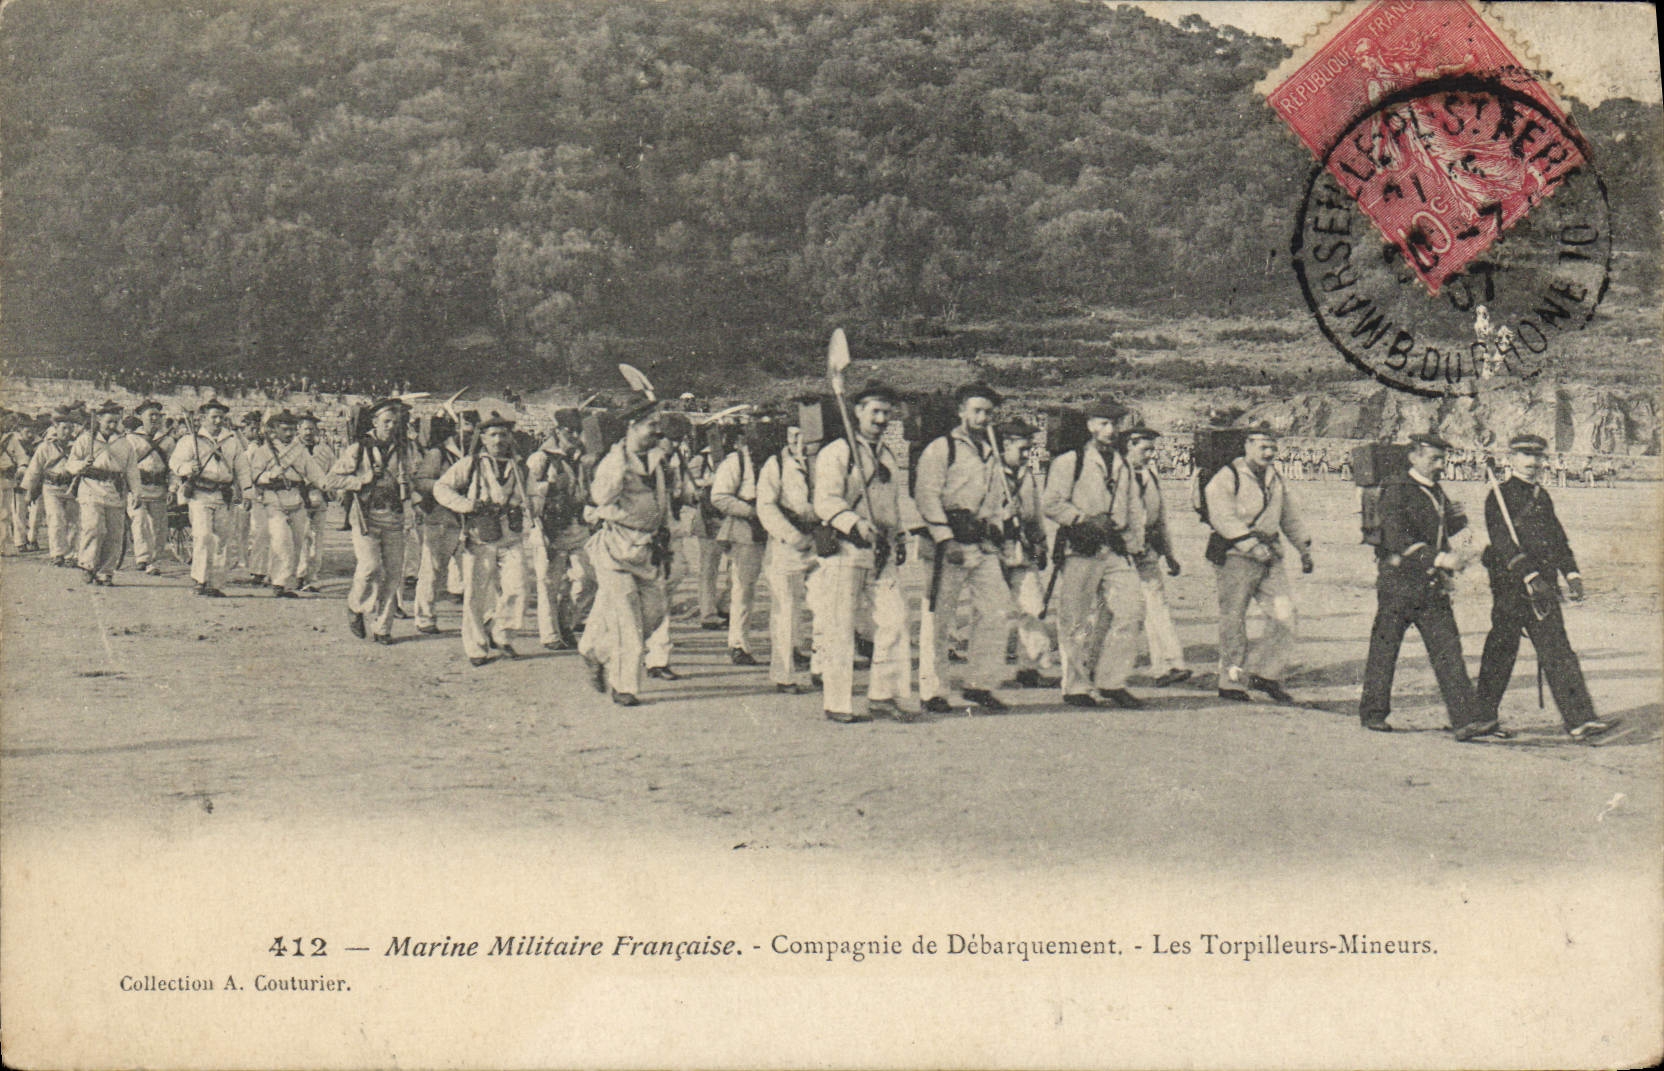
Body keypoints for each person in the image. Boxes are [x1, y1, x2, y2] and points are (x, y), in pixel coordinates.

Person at [1475, 434, 1613, 740]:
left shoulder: (1542, 495)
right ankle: (1481, 718)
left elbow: (1558, 538)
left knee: (1558, 650)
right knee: (1501, 650)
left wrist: (1572, 574)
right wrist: (1530, 576)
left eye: (1538, 457)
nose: (1533, 463)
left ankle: (1580, 720)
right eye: (1526, 456)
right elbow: (1503, 543)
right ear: (1511, 458)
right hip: (1512, 587)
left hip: (1544, 587)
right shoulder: (1497, 495)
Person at [1358, 433, 1494, 739]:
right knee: (1385, 648)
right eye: (1434, 458)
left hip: (1431, 586)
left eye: (1442, 458)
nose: (1441, 464)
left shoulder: (1438, 492)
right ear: (1414, 457)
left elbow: (1455, 530)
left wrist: (1474, 545)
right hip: (1398, 584)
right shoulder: (1397, 490)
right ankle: (1373, 713)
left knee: (1448, 649)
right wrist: (1441, 559)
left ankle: (1465, 720)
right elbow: (1396, 538)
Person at [813, 385, 915, 722]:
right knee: (840, 627)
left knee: (895, 621)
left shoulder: (887, 455)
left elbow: (892, 503)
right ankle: (837, 702)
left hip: (881, 551)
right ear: (857, 412)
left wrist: (898, 537)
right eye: (875, 411)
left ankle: (883, 694)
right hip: (846, 550)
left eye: (887, 413)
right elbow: (825, 501)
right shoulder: (837, 453)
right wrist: (854, 523)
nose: (882, 419)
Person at [913, 383, 1016, 713]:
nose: (983, 417)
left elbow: (994, 499)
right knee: (939, 619)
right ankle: (933, 691)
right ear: (961, 411)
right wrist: (945, 538)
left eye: (988, 412)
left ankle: (979, 684)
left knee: (998, 610)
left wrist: (998, 523)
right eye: (977, 411)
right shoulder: (942, 448)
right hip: (948, 543)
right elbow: (926, 494)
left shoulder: (991, 451)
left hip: (980, 543)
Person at [1041, 398, 1146, 709]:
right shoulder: (1069, 462)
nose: (1110, 430)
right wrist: (1083, 520)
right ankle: (1075, 686)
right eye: (1103, 423)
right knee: (1075, 619)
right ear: (1090, 425)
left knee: (1132, 610)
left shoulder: (1123, 464)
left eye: (1115, 423)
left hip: (1113, 548)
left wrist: (1131, 542)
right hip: (1081, 546)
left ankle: (1112, 680)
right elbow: (1051, 503)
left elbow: (1131, 507)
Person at [1203, 425, 1312, 703]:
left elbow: (1288, 516)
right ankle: (1231, 681)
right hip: (1235, 556)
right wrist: (1250, 545)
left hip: (1270, 555)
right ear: (1247, 445)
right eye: (1263, 446)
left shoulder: (1275, 478)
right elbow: (1222, 516)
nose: (1269, 452)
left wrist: (1303, 549)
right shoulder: (1227, 476)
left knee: (1285, 614)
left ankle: (1266, 673)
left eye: (1273, 447)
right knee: (1234, 619)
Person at [579, 401, 672, 706]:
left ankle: (594, 650)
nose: (657, 431)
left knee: (654, 613)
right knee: (628, 624)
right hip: (616, 550)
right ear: (632, 426)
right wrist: (618, 465)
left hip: (647, 550)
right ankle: (624, 687)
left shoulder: (658, 458)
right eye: (650, 425)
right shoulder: (614, 461)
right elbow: (600, 496)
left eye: (658, 425)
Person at [432, 413, 530, 666]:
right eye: (493, 435)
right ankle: (476, 647)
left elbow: (534, 494)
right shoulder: (471, 464)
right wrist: (467, 505)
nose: (499, 440)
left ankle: (501, 633)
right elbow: (441, 488)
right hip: (480, 535)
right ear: (483, 438)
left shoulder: (520, 466)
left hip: (511, 536)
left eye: (503, 434)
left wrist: (529, 506)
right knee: (475, 593)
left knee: (517, 588)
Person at [324, 398, 417, 643]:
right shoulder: (359, 449)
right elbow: (331, 480)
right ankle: (356, 606)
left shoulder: (406, 449)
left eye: (395, 422)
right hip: (366, 517)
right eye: (386, 421)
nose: (391, 426)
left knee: (394, 575)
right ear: (375, 422)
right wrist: (361, 480)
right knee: (369, 568)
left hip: (395, 517)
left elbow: (414, 478)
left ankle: (382, 628)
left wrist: (411, 499)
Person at [756, 421, 820, 694]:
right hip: (786, 547)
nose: (798, 441)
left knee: (825, 607)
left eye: (803, 435)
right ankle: (784, 675)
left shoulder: (823, 463)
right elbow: (766, 506)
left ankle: (822, 668)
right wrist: (793, 536)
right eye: (792, 435)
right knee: (785, 610)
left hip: (820, 544)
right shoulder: (776, 465)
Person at [1123, 426, 1190, 687]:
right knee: (1114, 610)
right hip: (1120, 553)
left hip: (1147, 550)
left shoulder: (1151, 476)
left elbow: (1160, 518)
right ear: (1130, 444)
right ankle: (1093, 664)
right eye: (1145, 449)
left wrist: (1169, 554)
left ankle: (1168, 665)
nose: (1150, 455)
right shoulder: (1117, 474)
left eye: (1153, 450)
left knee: (1157, 605)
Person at [995, 420, 1056, 689]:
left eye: (1029, 449)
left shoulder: (1027, 476)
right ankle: (985, 673)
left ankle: (1029, 667)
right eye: (1021, 448)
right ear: (1005, 444)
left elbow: (1035, 514)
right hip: (993, 549)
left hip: (1023, 550)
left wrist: (1042, 543)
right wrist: (1001, 516)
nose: (1025, 455)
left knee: (1032, 607)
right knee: (993, 613)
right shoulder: (988, 472)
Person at [169, 398, 249, 597]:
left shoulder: (232, 441)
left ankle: (216, 583)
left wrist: (247, 492)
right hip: (200, 494)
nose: (218, 421)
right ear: (204, 419)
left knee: (222, 539)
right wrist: (188, 468)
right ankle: (200, 579)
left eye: (221, 417)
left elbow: (242, 469)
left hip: (223, 495)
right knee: (203, 536)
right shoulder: (190, 440)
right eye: (214, 417)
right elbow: (175, 463)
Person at [244, 410, 327, 598]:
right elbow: (254, 476)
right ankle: (278, 583)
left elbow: (314, 472)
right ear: (274, 430)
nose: (289, 433)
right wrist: (270, 476)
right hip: (274, 499)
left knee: (298, 542)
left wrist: (327, 485)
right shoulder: (263, 451)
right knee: (281, 541)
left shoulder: (300, 451)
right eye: (285, 429)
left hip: (297, 498)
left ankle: (288, 582)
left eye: (292, 429)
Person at [709, 419, 770, 666]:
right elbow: (719, 497)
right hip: (746, 531)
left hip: (777, 530)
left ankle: (792, 644)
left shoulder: (779, 460)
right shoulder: (737, 462)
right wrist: (752, 510)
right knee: (743, 589)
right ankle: (738, 644)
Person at [526, 413, 589, 651]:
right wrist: (550, 487)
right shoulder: (541, 458)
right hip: (549, 527)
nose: (573, 435)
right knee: (548, 583)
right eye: (568, 430)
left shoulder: (579, 457)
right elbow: (528, 492)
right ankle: (550, 634)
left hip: (576, 524)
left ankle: (566, 621)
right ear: (558, 430)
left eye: (576, 430)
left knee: (587, 578)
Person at [412, 410, 476, 635]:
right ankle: (424, 617)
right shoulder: (437, 454)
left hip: (463, 520)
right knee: (432, 568)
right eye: (466, 427)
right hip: (439, 517)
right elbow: (420, 482)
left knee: (472, 568)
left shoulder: (472, 455)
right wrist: (447, 486)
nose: (469, 432)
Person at [65, 400, 141, 586]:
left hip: (115, 490)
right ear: (99, 419)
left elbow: (131, 469)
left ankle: (105, 571)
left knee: (115, 533)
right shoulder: (85, 440)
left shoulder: (125, 443)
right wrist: (82, 465)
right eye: (109, 421)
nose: (113, 426)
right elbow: (71, 464)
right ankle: (87, 564)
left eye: (116, 422)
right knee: (94, 528)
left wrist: (136, 492)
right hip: (91, 487)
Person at [24, 409, 82, 567]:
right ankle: (57, 553)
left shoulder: (77, 446)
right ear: (56, 428)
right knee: (56, 520)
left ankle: (71, 554)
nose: (67, 432)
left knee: (73, 522)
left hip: (72, 487)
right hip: (51, 488)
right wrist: (30, 491)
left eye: (70, 428)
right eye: (64, 428)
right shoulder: (45, 447)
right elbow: (35, 469)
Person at [124, 401, 175, 576]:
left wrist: (173, 488)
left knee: (159, 527)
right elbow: (126, 465)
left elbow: (173, 467)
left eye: (157, 415)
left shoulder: (167, 441)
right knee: (140, 522)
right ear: (141, 417)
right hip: (138, 487)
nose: (154, 418)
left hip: (159, 488)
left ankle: (154, 559)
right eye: (150, 415)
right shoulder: (132, 440)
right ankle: (143, 558)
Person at [294, 412, 335, 591]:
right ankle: (299, 573)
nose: (309, 433)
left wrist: (330, 488)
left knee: (317, 538)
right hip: (298, 498)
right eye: (305, 429)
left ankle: (313, 576)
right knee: (301, 536)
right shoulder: (292, 449)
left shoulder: (325, 451)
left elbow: (334, 471)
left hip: (319, 497)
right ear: (298, 430)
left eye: (312, 429)